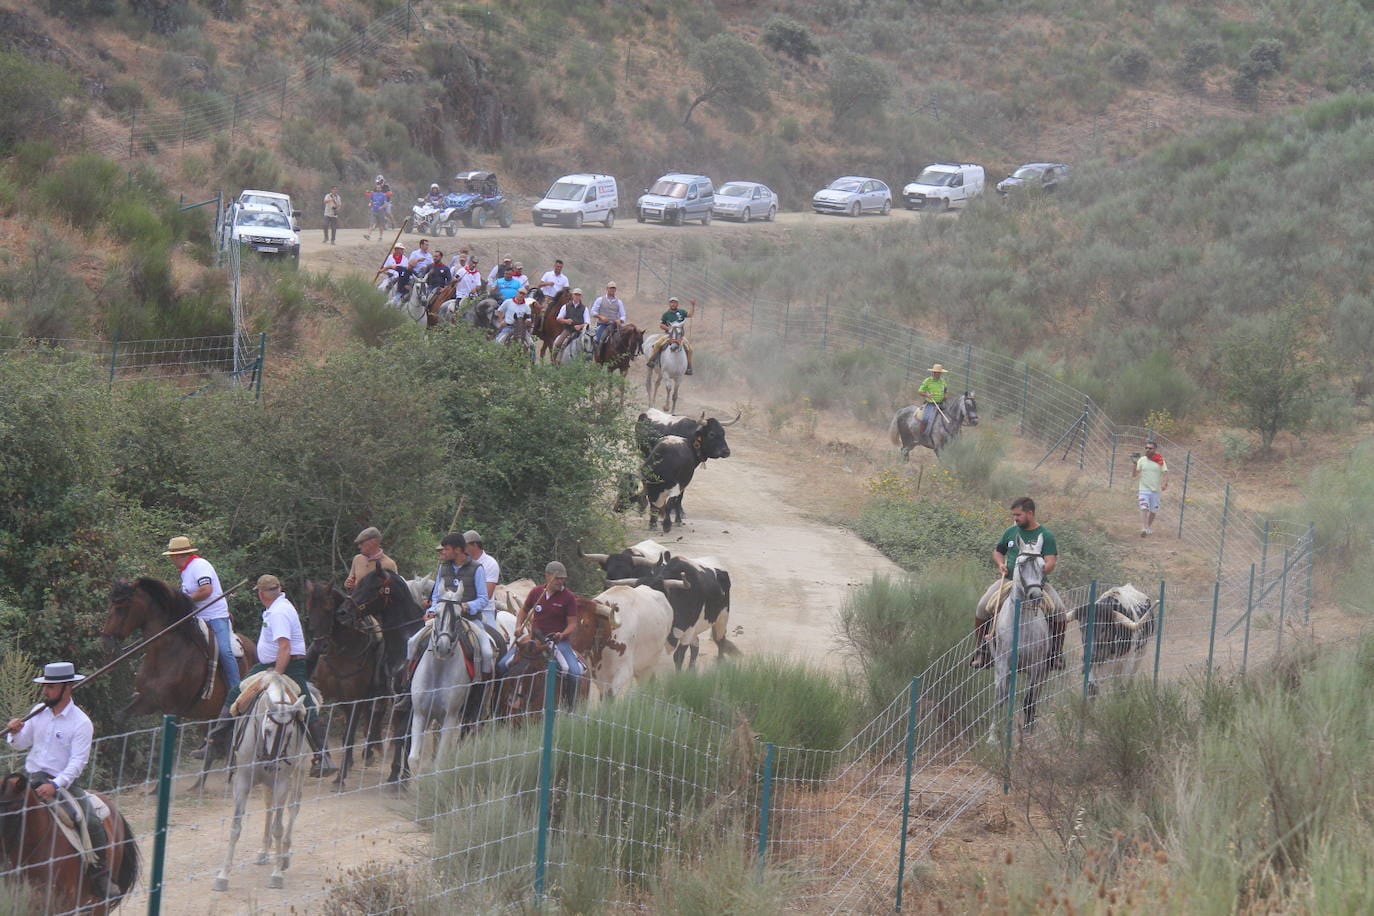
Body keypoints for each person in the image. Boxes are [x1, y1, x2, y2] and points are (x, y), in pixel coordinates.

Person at [5, 662, 118, 899]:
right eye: (45, 686)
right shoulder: (38, 711)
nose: (45, 691)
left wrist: (55, 784)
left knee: (89, 817)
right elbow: (21, 744)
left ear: (67, 687)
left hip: (61, 782)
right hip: (29, 777)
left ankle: (100, 873)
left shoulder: (81, 722)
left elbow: (78, 762)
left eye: (51, 687)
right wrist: (14, 732)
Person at [213, 576, 337, 777]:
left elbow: (285, 647)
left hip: (287, 666)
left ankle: (323, 755)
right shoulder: (278, 607)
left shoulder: (279, 612)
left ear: (261, 594)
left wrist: (277, 674)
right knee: (237, 690)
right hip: (270, 664)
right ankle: (216, 740)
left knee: (304, 703)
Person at [970, 497, 1067, 670]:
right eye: (1014, 515)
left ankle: (1055, 653)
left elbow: (1051, 561)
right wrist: (1000, 564)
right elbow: (998, 552)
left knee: (1059, 611)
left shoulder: (1045, 535)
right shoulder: (1010, 532)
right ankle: (982, 651)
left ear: (1030, 513)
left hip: (1037, 584)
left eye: (1018, 515)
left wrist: (1035, 574)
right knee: (982, 606)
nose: (1015, 518)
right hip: (1009, 581)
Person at [164, 536, 239, 697]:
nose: (171, 560)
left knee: (225, 651)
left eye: (171, 556)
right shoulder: (186, 571)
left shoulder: (199, 566)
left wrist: (185, 600)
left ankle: (236, 689)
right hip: (197, 617)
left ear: (178, 556)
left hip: (215, 616)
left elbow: (206, 590)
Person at [502, 561, 583, 705]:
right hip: (534, 639)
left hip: (558, 641)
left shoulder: (568, 597)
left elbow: (572, 624)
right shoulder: (536, 592)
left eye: (563, 579)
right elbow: (524, 610)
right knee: (503, 664)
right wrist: (518, 626)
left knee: (574, 672)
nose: (560, 581)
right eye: (557, 578)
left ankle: (570, 707)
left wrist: (562, 634)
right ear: (547, 576)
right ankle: (500, 703)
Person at [423, 533, 495, 678]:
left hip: (470, 619)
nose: (443, 552)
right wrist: (431, 610)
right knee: (413, 643)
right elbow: (436, 596)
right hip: (442, 619)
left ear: (457, 550)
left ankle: (482, 689)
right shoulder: (443, 568)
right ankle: (407, 685)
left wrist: (467, 606)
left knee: (487, 653)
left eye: (446, 549)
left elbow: (483, 598)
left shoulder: (477, 568)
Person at [645, 296, 695, 375]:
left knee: (690, 349)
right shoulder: (666, 314)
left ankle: (689, 367)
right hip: (669, 335)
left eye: (675, 302)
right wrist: (669, 328)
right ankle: (652, 360)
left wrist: (693, 306)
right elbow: (661, 325)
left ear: (677, 304)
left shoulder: (681, 312)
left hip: (680, 336)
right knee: (657, 344)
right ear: (669, 304)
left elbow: (690, 314)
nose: (673, 304)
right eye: (671, 302)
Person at [344, 526, 399, 591]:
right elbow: (349, 582)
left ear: (372, 542)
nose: (359, 546)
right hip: (355, 600)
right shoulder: (357, 559)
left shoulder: (389, 564)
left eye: (361, 543)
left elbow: (394, 590)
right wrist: (348, 584)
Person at [1132, 439, 1168, 537]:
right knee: (1144, 508)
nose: (1148, 450)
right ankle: (1144, 528)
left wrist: (1164, 484)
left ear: (1155, 449)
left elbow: (1165, 473)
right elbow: (1134, 475)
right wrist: (1134, 464)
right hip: (1143, 489)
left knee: (1153, 511)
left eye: (1150, 448)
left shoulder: (1160, 460)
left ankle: (1148, 527)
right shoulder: (1142, 460)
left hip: (1155, 491)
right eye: (1146, 448)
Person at [463, 530, 500, 600]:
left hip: (484, 609)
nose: (463, 549)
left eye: (465, 546)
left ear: (475, 545)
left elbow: (487, 595)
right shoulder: (462, 562)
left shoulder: (491, 564)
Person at [553, 288, 590, 355]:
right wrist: (566, 321)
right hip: (568, 330)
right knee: (558, 343)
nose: (577, 296)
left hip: (581, 332)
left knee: (589, 345)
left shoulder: (585, 308)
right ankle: (555, 361)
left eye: (578, 295)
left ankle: (589, 361)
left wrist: (580, 326)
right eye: (575, 294)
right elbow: (558, 318)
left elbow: (587, 323)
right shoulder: (566, 306)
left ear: (581, 296)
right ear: (572, 295)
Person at [915, 364, 948, 439]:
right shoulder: (927, 381)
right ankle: (921, 436)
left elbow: (945, 390)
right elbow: (919, 391)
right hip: (931, 404)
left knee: (949, 417)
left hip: (941, 403)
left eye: (939, 373)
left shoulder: (943, 381)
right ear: (933, 373)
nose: (938, 374)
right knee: (926, 418)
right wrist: (927, 395)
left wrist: (945, 395)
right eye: (936, 372)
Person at [591, 282, 627, 347]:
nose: (612, 290)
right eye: (611, 288)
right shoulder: (600, 300)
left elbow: (623, 315)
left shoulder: (619, 302)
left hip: (615, 325)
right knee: (597, 339)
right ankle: (596, 355)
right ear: (607, 289)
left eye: (613, 288)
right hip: (602, 325)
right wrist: (601, 317)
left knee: (624, 340)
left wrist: (620, 320)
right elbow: (593, 312)